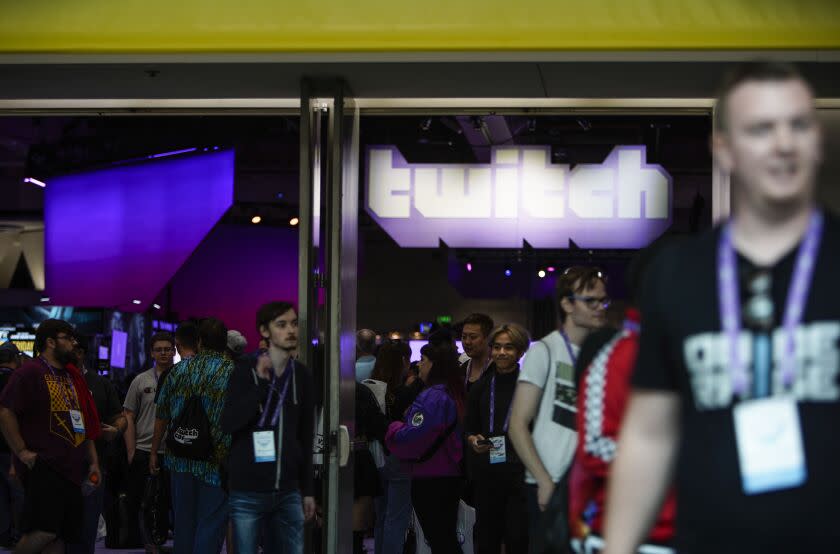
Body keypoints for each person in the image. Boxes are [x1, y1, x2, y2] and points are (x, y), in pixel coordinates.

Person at [603, 62, 840, 554]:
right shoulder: (677, 275)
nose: (783, 144)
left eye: (797, 125)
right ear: (725, 149)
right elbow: (649, 433)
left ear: (816, 141)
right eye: (760, 129)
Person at [570, 245, 676, 554]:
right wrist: (681, 456)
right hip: (641, 535)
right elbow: (596, 446)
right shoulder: (615, 356)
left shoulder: (701, 347)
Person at [508, 266, 608, 554]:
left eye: (603, 301)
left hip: (590, 484)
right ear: (567, 304)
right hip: (550, 482)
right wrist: (544, 481)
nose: (600, 308)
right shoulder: (546, 350)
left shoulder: (602, 352)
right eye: (591, 301)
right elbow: (517, 423)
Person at [0, 319, 102, 554]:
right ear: (50, 342)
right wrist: (21, 451)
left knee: (60, 537)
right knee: (43, 531)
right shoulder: (29, 372)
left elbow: (81, 422)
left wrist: (93, 461)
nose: (74, 343)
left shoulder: (70, 375)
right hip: (45, 465)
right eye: (68, 338)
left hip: (72, 467)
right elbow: (5, 411)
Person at [221, 302, 316, 554]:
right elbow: (228, 423)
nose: (291, 330)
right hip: (248, 490)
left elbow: (306, 437)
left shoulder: (302, 376)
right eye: (282, 325)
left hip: (288, 490)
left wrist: (307, 491)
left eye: (294, 323)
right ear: (264, 331)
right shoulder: (244, 370)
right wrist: (261, 387)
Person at [151, 318, 233, 554]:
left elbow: (162, 413)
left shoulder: (178, 370)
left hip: (179, 457)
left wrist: (154, 452)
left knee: (184, 524)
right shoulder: (232, 373)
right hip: (216, 463)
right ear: (224, 343)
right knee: (211, 523)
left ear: (199, 342)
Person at [386, 342, 465, 554]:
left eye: (423, 360)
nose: (419, 365)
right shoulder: (453, 392)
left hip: (431, 478)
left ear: (435, 365)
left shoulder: (432, 397)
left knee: (440, 539)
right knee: (445, 538)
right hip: (449, 475)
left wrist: (394, 428)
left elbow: (413, 439)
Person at [465, 323, 531, 554]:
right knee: (487, 539)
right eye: (497, 347)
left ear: (520, 352)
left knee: (518, 538)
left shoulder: (531, 388)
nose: (502, 353)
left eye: (509, 347)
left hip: (520, 476)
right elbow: (469, 427)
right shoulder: (480, 387)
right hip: (487, 474)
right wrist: (473, 439)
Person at [66, 337, 126, 554]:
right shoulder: (53, 379)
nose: (72, 355)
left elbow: (120, 417)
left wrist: (116, 430)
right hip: (59, 465)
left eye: (76, 351)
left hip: (94, 465)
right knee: (59, 529)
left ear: (83, 353)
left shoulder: (100, 383)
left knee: (88, 526)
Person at [124, 331, 175, 550]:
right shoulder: (141, 380)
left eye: (167, 349)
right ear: (152, 353)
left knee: (168, 502)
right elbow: (128, 415)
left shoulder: (181, 377)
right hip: (144, 449)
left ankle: (164, 540)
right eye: (159, 349)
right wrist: (131, 450)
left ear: (174, 350)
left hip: (174, 450)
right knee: (143, 502)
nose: (163, 353)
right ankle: (148, 545)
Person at [371, 342, 413, 554]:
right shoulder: (405, 393)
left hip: (376, 456)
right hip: (400, 457)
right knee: (396, 519)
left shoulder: (369, 388)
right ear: (403, 362)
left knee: (381, 517)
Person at [0, 342, 23, 548]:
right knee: (18, 493)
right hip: (13, 448)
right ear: (15, 359)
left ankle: (4, 534)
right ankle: (18, 535)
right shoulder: (17, 382)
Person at [460, 313, 494, 393]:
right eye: (464, 337)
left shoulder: (497, 370)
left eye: (473, 337)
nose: (467, 342)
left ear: (488, 338)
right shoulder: (462, 370)